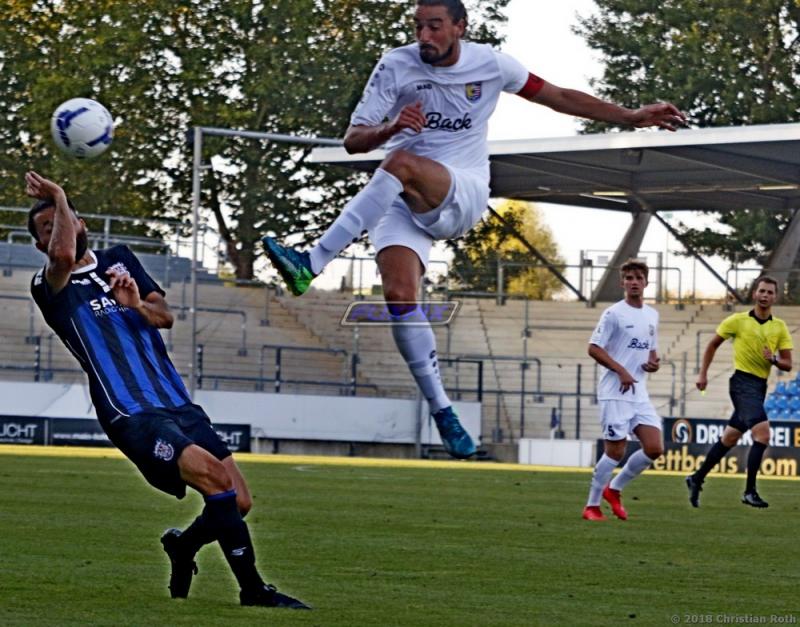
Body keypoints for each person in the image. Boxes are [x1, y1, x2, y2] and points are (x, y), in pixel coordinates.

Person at [261, 0, 686, 460]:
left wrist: (628, 116)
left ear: (460, 27)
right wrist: (390, 127)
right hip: (399, 196)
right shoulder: (394, 65)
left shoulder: (491, 64)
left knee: (400, 162)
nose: (424, 36)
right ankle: (444, 413)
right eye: (418, 26)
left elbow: (558, 96)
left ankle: (312, 261)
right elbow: (353, 139)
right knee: (401, 299)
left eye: (435, 26)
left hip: (461, 190)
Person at [25, 171, 309, 609]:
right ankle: (254, 591)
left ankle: (183, 546)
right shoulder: (51, 286)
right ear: (41, 246)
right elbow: (63, 254)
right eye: (47, 229)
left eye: (65, 219)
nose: (59, 229)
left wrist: (135, 304)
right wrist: (59, 196)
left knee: (240, 500)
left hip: (176, 401)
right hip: (131, 411)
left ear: (83, 224)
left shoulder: (119, 259)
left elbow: (165, 317)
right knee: (216, 480)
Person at [687, 276, 793, 509]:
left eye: (770, 292)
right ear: (754, 293)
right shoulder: (737, 321)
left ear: (775, 297)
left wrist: (773, 359)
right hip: (742, 384)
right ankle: (749, 491)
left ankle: (696, 477)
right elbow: (713, 344)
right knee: (763, 436)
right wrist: (703, 374)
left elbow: (788, 364)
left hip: (760, 387)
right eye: (761, 291)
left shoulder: (780, 327)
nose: (765, 295)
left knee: (729, 438)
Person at [582, 259, 664, 521]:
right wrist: (621, 370)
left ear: (646, 282)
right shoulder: (613, 313)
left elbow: (651, 350)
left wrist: (653, 364)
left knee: (654, 448)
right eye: (629, 278)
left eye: (639, 277)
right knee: (615, 451)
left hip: (639, 393)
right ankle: (591, 506)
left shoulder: (652, 315)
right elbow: (594, 348)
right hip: (615, 392)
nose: (634, 282)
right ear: (622, 283)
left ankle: (614, 490)